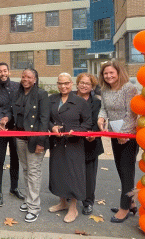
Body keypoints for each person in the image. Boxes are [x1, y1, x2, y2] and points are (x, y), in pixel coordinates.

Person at [97, 60, 138, 223]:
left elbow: (132, 113)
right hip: (115, 134)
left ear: (119, 73)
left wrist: (125, 133)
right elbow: (104, 108)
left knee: (127, 171)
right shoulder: (105, 90)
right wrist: (101, 118)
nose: (108, 76)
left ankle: (125, 208)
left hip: (128, 136)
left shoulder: (129, 88)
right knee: (120, 170)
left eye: (111, 73)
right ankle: (131, 201)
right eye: (105, 73)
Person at [48, 73, 92, 223]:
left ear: (71, 84)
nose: (63, 86)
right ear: (57, 84)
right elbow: (46, 118)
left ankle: (73, 207)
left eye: (66, 83)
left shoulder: (80, 102)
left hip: (74, 144)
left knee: (73, 175)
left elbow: (87, 123)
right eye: (60, 83)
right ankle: (62, 202)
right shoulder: (52, 99)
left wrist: (77, 133)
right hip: (57, 143)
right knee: (58, 172)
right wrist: (52, 127)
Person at [12, 68, 49, 222]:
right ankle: (28, 200)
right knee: (26, 169)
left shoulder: (41, 94)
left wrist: (41, 141)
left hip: (35, 139)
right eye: (23, 76)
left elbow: (44, 119)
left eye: (29, 77)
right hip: (20, 137)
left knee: (33, 172)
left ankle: (34, 207)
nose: (25, 79)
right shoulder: (18, 93)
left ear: (35, 79)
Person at [0, 62, 24, 207]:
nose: (3, 73)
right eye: (0, 71)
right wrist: (0, 122)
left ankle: (14, 187)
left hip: (16, 127)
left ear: (9, 72)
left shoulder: (18, 87)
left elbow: (19, 106)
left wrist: (8, 118)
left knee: (15, 158)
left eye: (5, 71)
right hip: (1, 129)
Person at [75, 73, 104, 216]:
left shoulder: (97, 102)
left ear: (92, 86)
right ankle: (72, 196)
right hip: (73, 143)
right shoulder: (70, 99)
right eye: (81, 82)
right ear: (77, 84)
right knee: (73, 172)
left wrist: (93, 133)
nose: (84, 85)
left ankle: (88, 202)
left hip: (91, 143)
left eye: (87, 83)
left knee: (89, 175)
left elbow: (98, 120)